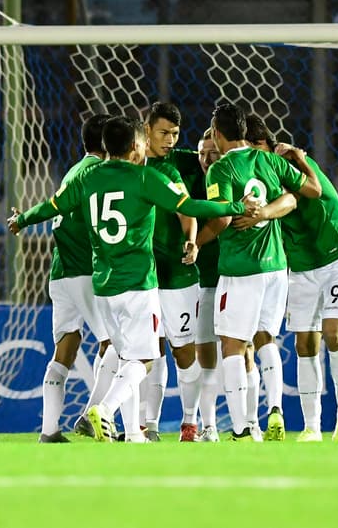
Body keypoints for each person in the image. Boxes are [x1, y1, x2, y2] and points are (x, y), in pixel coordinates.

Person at [8, 116, 257, 443]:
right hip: (138, 284)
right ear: (136, 146)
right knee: (145, 359)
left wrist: (22, 219)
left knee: (124, 357)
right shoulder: (144, 178)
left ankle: (134, 435)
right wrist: (239, 204)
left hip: (103, 285)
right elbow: (190, 206)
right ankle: (102, 410)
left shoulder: (87, 179)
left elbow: (51, 206)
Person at [197, 101, 322, 441]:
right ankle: (273, 411)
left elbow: (223, 218)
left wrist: (197, 241)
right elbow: (308, 192)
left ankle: (240, 429)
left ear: (219, 135)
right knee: (266, 338)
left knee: (233, 347)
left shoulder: (220, 171)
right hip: (277, 268)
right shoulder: (268, 160)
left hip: (242, 270)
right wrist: (269, 207)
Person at [241, 115, 338, 442]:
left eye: (258, 146)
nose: (254, 154)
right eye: (247, 147)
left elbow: (307, 193)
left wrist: (297, 158)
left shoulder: (293, 166)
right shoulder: (253, 182)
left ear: (269, 146)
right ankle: (311, 426)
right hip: (302, 268)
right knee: (304, 343)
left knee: (334, 334)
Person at [37, 114, 111, 443]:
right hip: (85, 268)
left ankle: (49, 430)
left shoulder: (74, 171)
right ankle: (92, 415)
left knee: (66, 348)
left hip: (60, 271)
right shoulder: (98, 173)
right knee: (115, 345)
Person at [139, 102, 202, 442]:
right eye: (164, 133)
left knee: (183, 350)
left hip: (176, 275)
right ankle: (148, 426)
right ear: (146, 129)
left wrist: (191, 241)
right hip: (142, 275)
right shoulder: (129, 166)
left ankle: (189, 422)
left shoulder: (172, 171)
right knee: (150, 349)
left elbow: (186, 211)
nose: (170, 140)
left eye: (175, 134)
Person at [191, 128, 223, 441]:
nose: (205, 159)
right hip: (201, 283)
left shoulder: (230, 177)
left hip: (234, 279)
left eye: (212, 152)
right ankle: (209, 426)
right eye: (201, 152)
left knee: (245, 351)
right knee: (205, 356)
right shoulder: (192, 178)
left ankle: (251, 424)